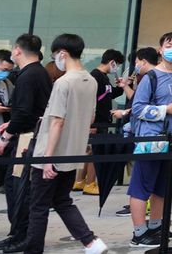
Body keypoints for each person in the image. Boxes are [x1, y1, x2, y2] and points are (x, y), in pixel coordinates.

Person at [21, 34, 108, 254]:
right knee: (62, 200)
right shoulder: (91, 80)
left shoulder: (63, 82)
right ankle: (91, 242)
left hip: (51, 153)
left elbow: (58, 122)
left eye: (54, 55)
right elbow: (88, 118)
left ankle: (33, 250)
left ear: (62, 53)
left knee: (38, 206)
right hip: (73, 152)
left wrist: (48, 158)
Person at [127, 32, 172, 247]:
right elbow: (137, 109)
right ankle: (139, 233)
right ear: (161, 50)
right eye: (169, 44)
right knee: (141, 186)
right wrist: (166, 109)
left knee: (163, 186)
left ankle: (157, 227)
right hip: (151, 140)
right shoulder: (151, 77)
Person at [0, 35, 53, 252]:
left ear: (18, 50)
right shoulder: (37, 72)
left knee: (18, 188)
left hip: (26, 139)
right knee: (15, 186)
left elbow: (24, 112)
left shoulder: (30, 75)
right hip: (27, 136)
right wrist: (10, 125)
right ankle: (17, 233)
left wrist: (5, 137)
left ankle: (22, 236)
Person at [79, 49, 126, 195]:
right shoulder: (95, 76)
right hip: (96, 121)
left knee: (90, 151)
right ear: (112, 62)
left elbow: (110, 94)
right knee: (95, 152)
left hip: (102, 119)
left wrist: (121, 86)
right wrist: (90, 123)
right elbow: (88, 101)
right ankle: (90, 183)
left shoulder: (104, 77)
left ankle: (81, 181)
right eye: (117, 64)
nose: (116, 68)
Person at [0, 51, 15, 199]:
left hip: (1, 131)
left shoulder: (7, 84)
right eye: (4, 70)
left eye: (9, 70)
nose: (6, 73)